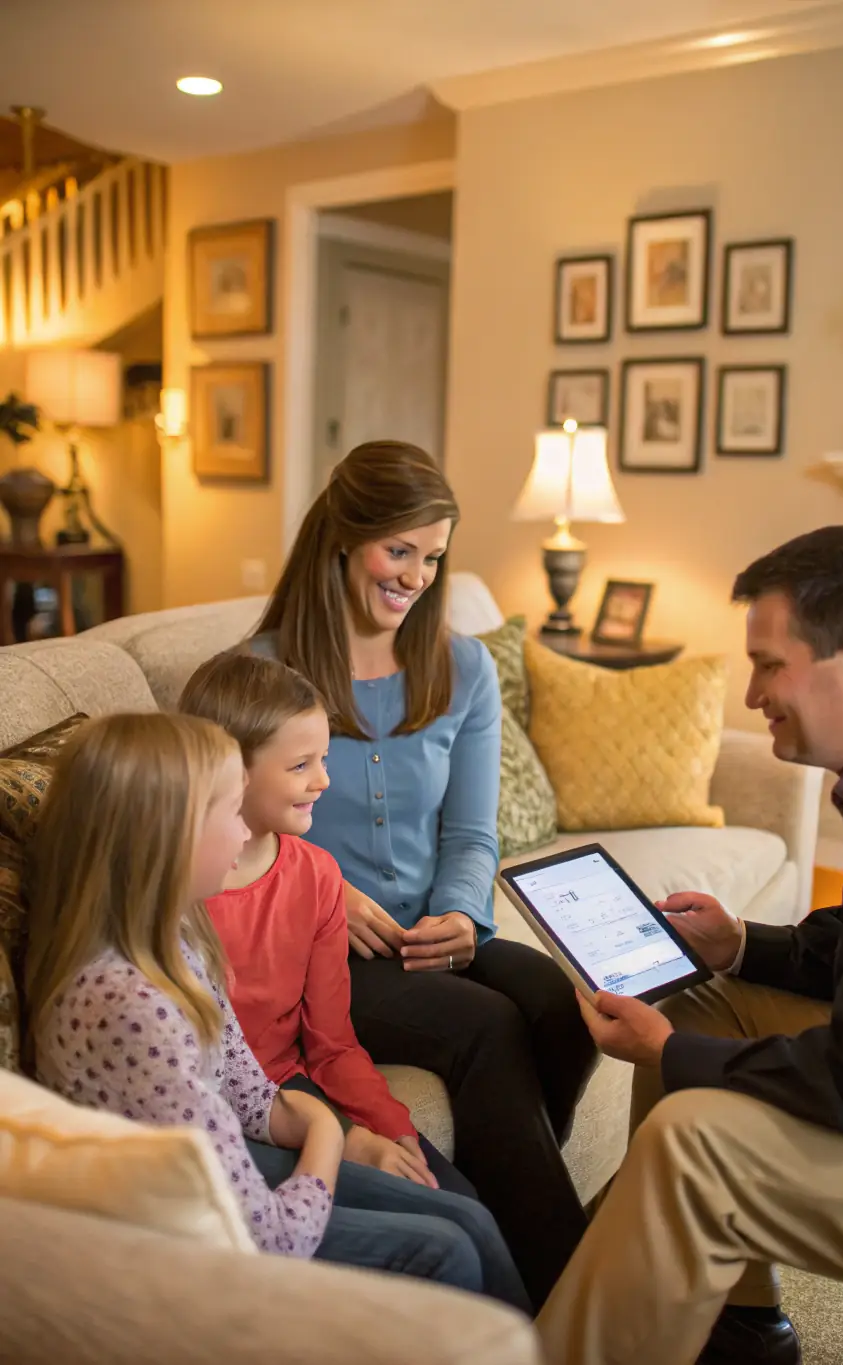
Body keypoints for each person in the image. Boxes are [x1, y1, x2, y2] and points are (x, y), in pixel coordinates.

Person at [537, 526, 843, 1365]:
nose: (753, 691)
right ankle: (739, 1317)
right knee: (704, 998)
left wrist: (671, 1052)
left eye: (769, 663)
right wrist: (736, 947)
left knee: (692, 1142)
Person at [250, 440, 597, 1309]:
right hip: (321, 950)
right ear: (345, 536)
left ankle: (507, 1192)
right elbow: (234, 837)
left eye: (433, 556)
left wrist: (460, 914)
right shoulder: (261, 673)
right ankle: (575, 1299)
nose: (415, 575)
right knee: (486, 1027)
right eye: (397, 550)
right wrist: (331, 889)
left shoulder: (462, 664)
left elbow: (472, 831)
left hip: (428, 926)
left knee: (561, 1000)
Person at [23, 712, 528, 1307]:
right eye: (229, 816)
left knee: (470, 1218)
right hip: (185, 1230)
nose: (244, 838)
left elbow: (243, 1084)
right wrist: (329, 1136)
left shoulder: (180, 933)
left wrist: (322, 1122)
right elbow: (270, 1237)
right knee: (447, 1249)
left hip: (226, 1158)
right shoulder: (132, 1007)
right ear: (168, 838)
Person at [178, 649, 528, 1310]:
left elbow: (332, 1041)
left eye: (324, 759)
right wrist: (339, 1137)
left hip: (295, 1087)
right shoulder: (181, 891)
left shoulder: (314, 874)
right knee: (449, 1237)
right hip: (229, 1116)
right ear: (228, 765)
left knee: (462, 1202)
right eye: (301, 765)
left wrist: (388, 1125)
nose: (324, 782)